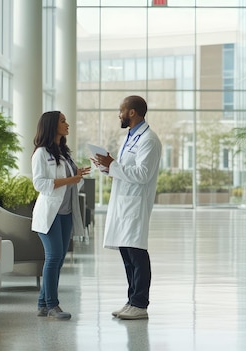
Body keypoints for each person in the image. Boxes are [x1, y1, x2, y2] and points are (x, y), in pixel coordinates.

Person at [92, 95, 162, 320]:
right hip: (123, 202)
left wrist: (113, 166)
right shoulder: (130, 137)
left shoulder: (149, 139)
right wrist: (107, 167)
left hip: (135, 203)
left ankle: (140, 304)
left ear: (132, 112)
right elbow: (124, 169)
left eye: (121, 110)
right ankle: (132, 300)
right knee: (127, 253)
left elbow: (143, 175)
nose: (119, 114)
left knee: (136, 253)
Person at [31, 111, 91, 320]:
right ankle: (52, 305)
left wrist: (77, 175)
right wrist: (69, 180)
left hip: (65, 213)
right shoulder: (41, 153)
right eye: (63, 121)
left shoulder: (63, 152)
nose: (67, 124)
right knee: (53, 257)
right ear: (51, 126)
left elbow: (72, 182)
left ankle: (42, 304)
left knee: (59, 259)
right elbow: (39, 184)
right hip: (50, 214)